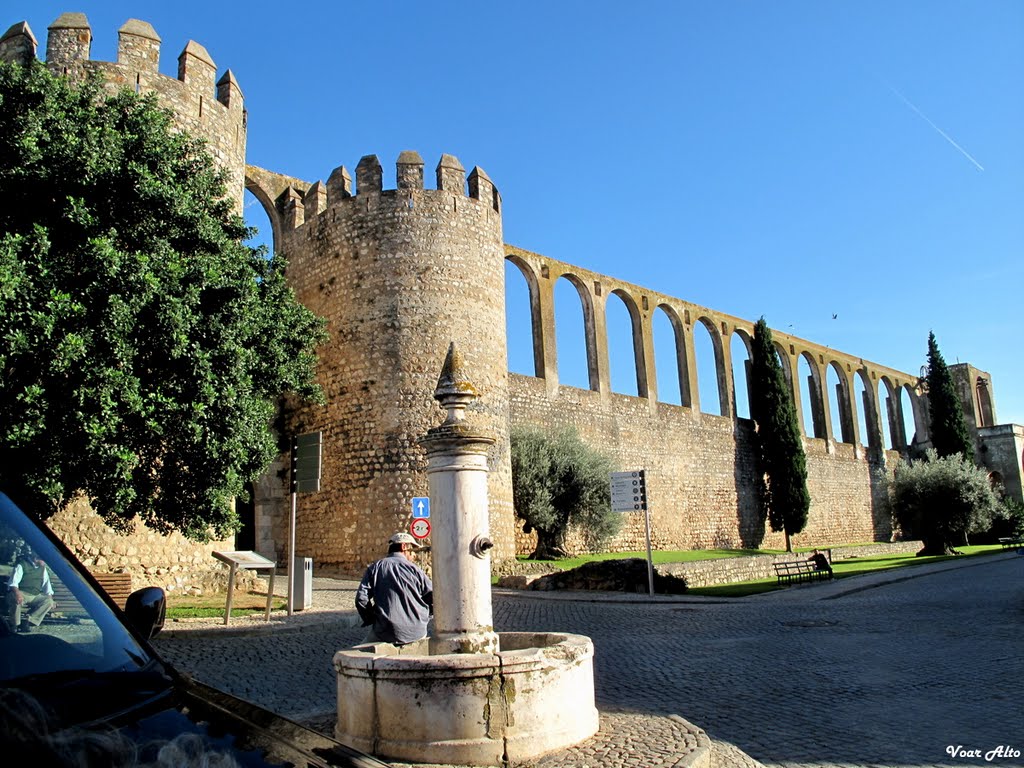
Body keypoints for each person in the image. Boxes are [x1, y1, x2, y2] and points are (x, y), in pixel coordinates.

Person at [355, 532, 432, 645]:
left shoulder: (375, 568)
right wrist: (425, 616)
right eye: (412, 551)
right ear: (404, 547)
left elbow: (361, 599)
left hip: (385, 630)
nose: (413, 555)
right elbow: (433, 597)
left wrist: (372, 619)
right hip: (416, 631)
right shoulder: (416, 570)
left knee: (360, 653)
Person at [6, 546, 54, 633]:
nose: (45, 562)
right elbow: (13, 583)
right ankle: (14, 625)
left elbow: (47, 584)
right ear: (36, 558)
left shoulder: (43, 569)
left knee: (49, 602)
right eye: (43, 560)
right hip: (21, 593)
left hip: (34, 595)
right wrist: (18, 594)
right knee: (16, 599)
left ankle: (28, 622)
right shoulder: (22, 565)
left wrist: (50, 597)